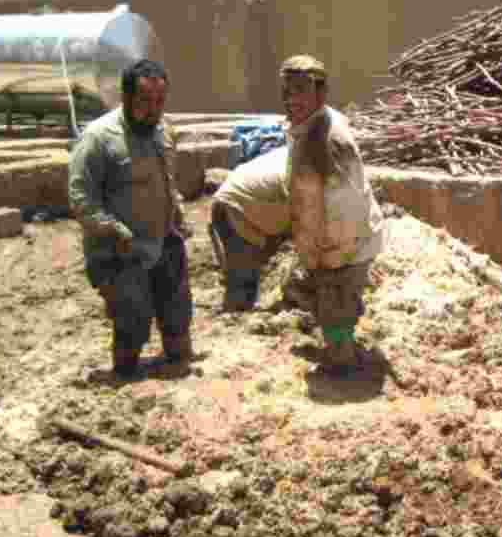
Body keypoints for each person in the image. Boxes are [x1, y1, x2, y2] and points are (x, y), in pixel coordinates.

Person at [68, 59, 194, 378]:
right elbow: (81, 198)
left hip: (163, 239)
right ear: (125, 98)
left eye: (160, 102)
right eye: (144, 102)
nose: (153, 110)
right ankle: (124, 373)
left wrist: (177, 211)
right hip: (118, 251)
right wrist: (114, 231)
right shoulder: (98, 138)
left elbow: (167, 180)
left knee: (177, 309)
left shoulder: (164, 131)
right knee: (133, 316)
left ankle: (176, 359)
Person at [278, 54, 385, 375]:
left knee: (335, 307)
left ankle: (343, 366)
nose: (291, 98)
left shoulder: (330, 142)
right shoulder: (312, 123)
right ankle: (343, 333)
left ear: (320, 93)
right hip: (326, 240)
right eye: (286, 90)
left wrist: (330, 260)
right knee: (326, 299)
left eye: (300, 90)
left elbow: (346, 211)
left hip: (344, 244)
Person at [209, 145, 292, 311]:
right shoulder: (302, 168)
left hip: (244, 199)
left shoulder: (297, 152)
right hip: (236, 206)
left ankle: (243, 308)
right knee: (243, 274)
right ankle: (235, 317)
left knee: (249, 269)